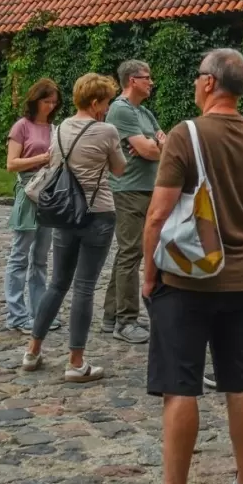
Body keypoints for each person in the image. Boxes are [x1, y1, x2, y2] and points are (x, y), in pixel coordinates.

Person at [121, 49, 243, 484]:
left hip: (186, 280)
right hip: (242, 281)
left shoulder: (186, 135)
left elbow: (157, 214)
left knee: (180, 385)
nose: (195, 84)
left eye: (197, 77)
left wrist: (148, 275)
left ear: (210, 83)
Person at [22, 73, 126, 383]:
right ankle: (76, 362)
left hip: (64, 214)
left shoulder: (60, 128)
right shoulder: (106, 130)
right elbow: (119, 170)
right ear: (95, 103)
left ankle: (32, 351)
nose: (107, 108)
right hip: (98, 214)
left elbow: (55, 162)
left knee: (57, 283)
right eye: (106, 102)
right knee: (84, 286)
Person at [102, 60, 165, 344]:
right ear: (131, 80)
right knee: (130, 252)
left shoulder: (144, 112)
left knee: (129, 253)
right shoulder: (121, 109)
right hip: (128, 189)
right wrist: (152, 146)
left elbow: (162, 142)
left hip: (145, 188)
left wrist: (154, 145)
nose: (151, 81)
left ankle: (111, 315)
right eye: (146, 77)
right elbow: (149, 150)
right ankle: (125, 322)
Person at [4, 79, 60, 333]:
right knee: (20, 254)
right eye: (46, 101)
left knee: (40, 258)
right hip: (28, 191)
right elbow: (11, 163)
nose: (50, 106)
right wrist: (41, 158)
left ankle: (39, 311)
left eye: (53, 102)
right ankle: (16, 313)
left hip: (48, 192)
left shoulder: (54, 128)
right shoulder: (21, 127)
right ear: (35, 100)